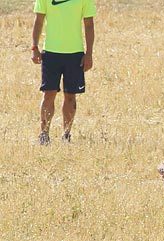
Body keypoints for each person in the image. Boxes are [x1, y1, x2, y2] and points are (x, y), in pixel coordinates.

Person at [31, 0, 96, 145]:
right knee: (48, 94)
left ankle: (66, 135)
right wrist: (34, 47)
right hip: (51, 54)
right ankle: (44, 135)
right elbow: (38, 20)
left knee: (70, 96)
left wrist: (89, 53)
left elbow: (89, 24)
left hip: (75, 55)